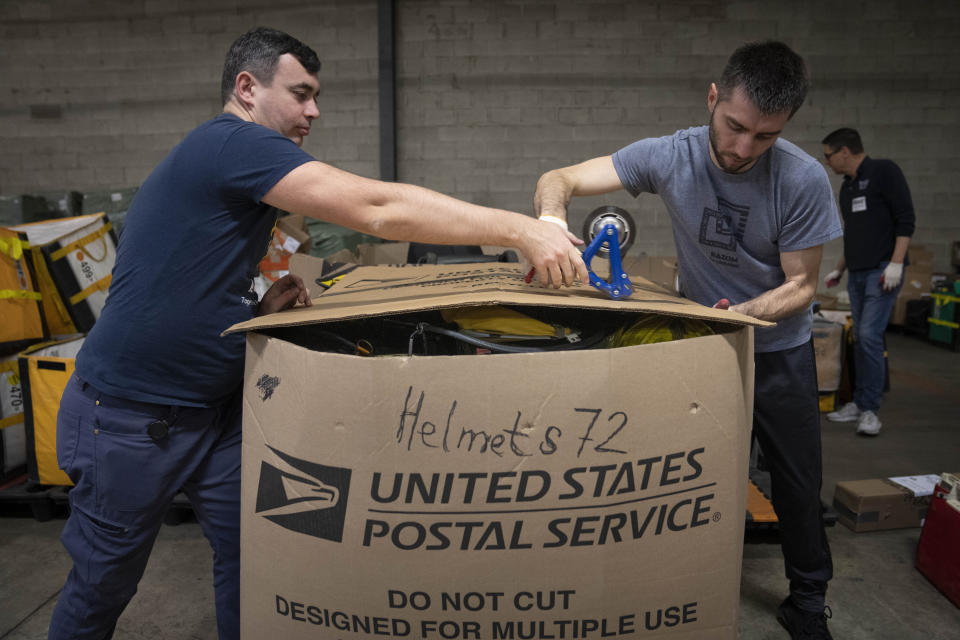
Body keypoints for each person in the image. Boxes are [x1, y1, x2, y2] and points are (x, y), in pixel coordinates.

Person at [48, 27, 588, 640]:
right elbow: (376, 209)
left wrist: (256, 305)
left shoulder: (230, 161)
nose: (314, 111)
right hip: (129, 417)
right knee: (102, 586)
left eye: (317, 96)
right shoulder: (232, 142)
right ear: (247, 89)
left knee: (257, 563)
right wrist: (523, 230)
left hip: (213, 412)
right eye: (301, 94)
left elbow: (190, 271)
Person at [533, 41, 840, 640]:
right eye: (735, 127)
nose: (743, 149)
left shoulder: (802, 179)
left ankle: (807, 599)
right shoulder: (667, 157)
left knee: (798, 483)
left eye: (765, 137)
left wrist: (744, 314)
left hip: (777, 353)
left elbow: (802, 285)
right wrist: (549, 223)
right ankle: (681, 583)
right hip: (706, 351)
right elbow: (560, 177)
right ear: (712, 98)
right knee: (689, 475)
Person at [821, 127, 915, 437]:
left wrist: (896, 263)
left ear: (844, 152)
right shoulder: (847, 187)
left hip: (882, 271)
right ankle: (860, 404)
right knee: (860, 338)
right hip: (858, 272)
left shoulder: (884, 171)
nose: (827, 162)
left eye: (829, 156)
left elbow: (905, 219)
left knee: (870, 337)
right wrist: (839, 269)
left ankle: (870, 410)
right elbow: (854, 233)